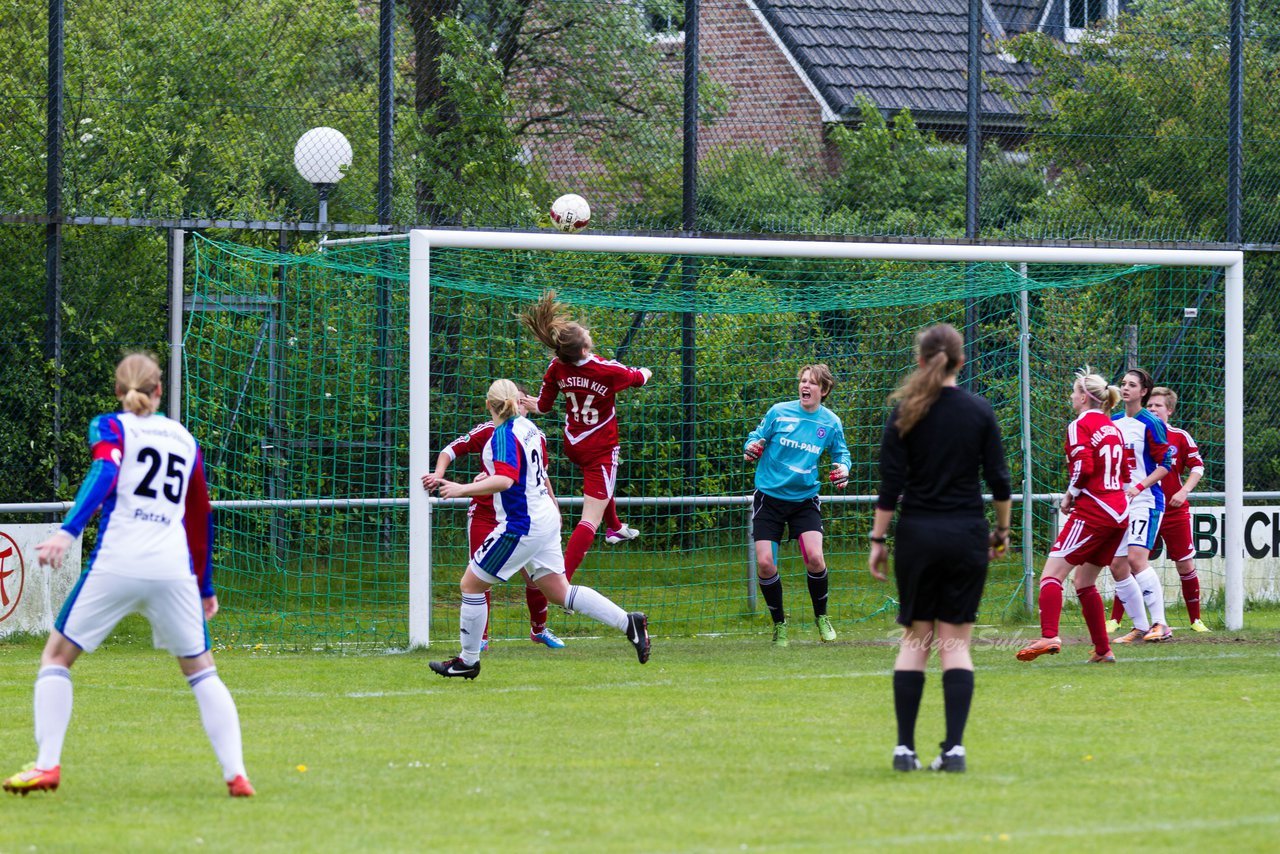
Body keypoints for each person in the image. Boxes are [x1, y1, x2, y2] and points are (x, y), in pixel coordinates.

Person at [3, 354, 253, 798]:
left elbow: (106, 469)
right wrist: (205, 586)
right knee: (202, 672)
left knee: (56, 659)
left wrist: (68, 529)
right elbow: (200, 516)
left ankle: (47, 766)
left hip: (119, 561)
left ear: (118, 392)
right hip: (173, 569)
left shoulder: (112, 426)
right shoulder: (183, 438)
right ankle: (237, 775)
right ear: (159, 391)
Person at [428, 379, 650, 679]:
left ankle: (468, 660)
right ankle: (629, 623)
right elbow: (534, 475)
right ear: (518, 403)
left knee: (470, 585)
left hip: (522, 524)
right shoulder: (532, 430)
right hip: (544, 516)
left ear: (487, 404)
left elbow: (506, 480)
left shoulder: (502, 436)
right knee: (559, 592)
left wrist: (462, 488)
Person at [868, 325, 1011, 774]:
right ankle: (953, 751)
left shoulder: (904, 411)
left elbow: (890, 488)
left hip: (917, 538)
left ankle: (904, 750)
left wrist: (877, 540)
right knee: (955, 646)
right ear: (961, 362)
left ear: (920, 360)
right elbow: (1000, 482)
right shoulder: (979, 410)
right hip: (966, 537)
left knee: (916, 640)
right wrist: (1002, 532)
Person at [518, 290, 652, 582]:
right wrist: (647, 370)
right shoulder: (605, 369)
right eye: (586, 333)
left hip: (574, 443)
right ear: (583, 349)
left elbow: (543, 405)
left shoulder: (557, 366)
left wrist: (532, 405)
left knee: (601, 485)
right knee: (589, 518)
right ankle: (561, 581)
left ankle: (615, 526)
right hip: (600, 447)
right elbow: (639, 378)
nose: (588, 331)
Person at [424, 396, 567, 650]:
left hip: (520, 520)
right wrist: (438, 474)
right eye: (518, 403)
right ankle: (480, 640)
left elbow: (540, 478)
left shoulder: (533, 434)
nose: (522, 408)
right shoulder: (491, 431)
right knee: (478, 579)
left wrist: (554, 507)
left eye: (525, 404)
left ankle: (539, 629)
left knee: (535, 578)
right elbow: (451, 449)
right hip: (485, 515)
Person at [1016, 367, 1129, 669]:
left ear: (1083, 396)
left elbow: (1083, 468)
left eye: (1074, 391)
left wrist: (1070, 495)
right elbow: (1124, 474)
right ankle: (1103, 650)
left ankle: (1049, 636)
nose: (1071, 396)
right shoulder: (1112, 426)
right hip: (1118, 512)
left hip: (1095, 510)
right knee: (1084, 581)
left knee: (1052, 574)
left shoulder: (1080, 425)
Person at [745, 364, 852, 647]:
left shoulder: (830, 423)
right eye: (803, 381)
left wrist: (842, 469)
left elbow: (842, 454)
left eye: (812, 383)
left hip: (804, 500)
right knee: (766, 563)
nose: (805, 386)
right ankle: (779, 625)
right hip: (769, 499)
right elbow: (756, 437)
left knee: (815, 558)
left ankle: (822, 618)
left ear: (824, 390)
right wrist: (752, 447)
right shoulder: (779, 412)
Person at [1107, 386, 1210, 633]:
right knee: (1128, 562)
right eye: (1150, 405)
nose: (1153, 409)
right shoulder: (1132, 429)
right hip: (1140, 505)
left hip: (1173, 511)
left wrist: (1183, 490)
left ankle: (1195, 619)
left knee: (1185, 564)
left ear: (1170, 410)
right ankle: (1116, 619)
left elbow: (1197, 466)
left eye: (1158, 406)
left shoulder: (1179, 437)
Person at [1108, 368, 1175, 644]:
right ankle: (1139, 627)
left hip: (1145, 501)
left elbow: (1165, 466)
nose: (1125, 388)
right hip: (1118, 503)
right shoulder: (1112, 422)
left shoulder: (1150, 422)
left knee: (1136, 559)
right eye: (1123, 384)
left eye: (1132, 385)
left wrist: (1138, 487)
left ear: (1143, 391)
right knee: (1116, 565)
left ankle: (1162, 624)